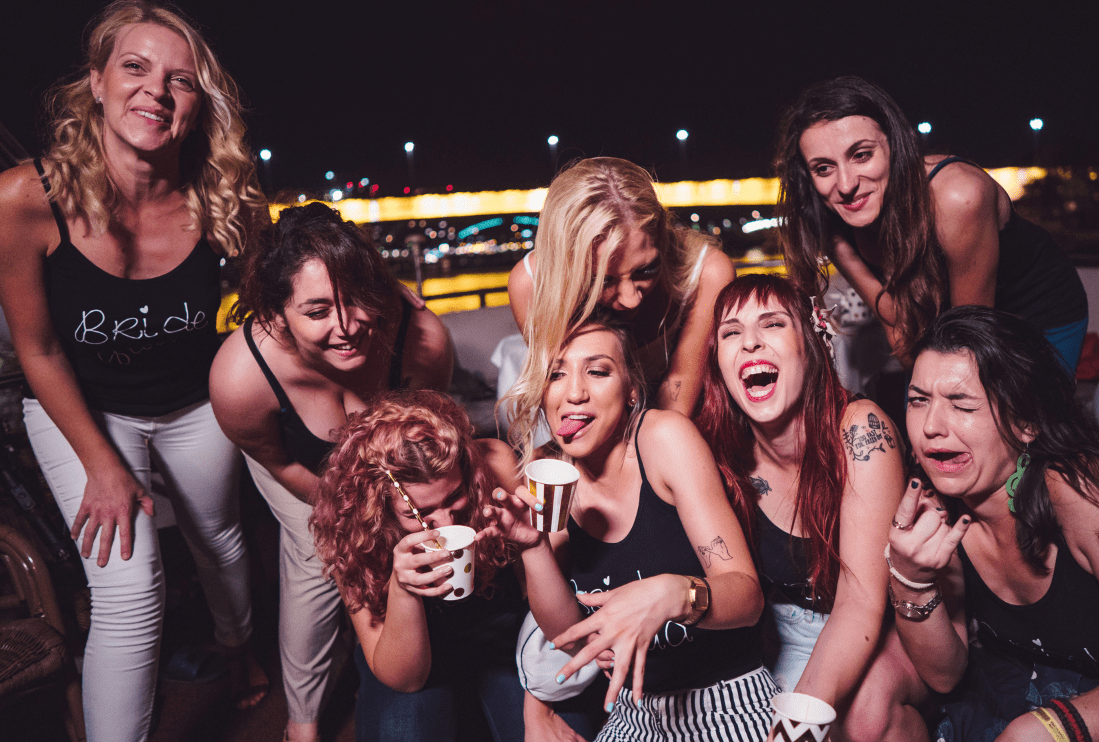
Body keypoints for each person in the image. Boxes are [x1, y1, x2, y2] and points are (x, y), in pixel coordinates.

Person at [0, 0, 268, 740]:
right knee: (129, 590)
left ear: (197, 104)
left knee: (221, 544)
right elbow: (40, 349)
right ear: (97, 82)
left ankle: (238, 650)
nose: (157, 90)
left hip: (191, 403)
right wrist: (102, 462)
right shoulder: (26, 199)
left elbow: (268, 315)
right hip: (78, 406)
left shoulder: (223, 199)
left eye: (180, 80)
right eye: (136, 67)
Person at [888, 306, 1099, 742]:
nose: (930, 428)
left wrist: (1047, 729)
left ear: (1026, 421)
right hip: (1023, 691)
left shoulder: (1084, 492)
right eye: (919, 401)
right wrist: (909, 579)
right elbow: (944, 676)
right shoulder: (935, 504)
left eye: (961, 404)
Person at [209, 202, 453, 742]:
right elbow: (277, 461)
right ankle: (303, 722)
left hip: (390, 470)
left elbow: (430, 454)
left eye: (357, 302)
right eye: (317, 311)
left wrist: (398, 515)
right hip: (300, 467)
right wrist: (351, 519)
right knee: (315, 560)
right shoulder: (240, 379)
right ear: (276, 313)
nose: (345, 329)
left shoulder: (422, 340)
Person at [494, 315, 774, 741]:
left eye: (598, 371)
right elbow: (570, 638)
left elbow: (748, 598)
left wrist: (673, 593)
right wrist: (533, 548)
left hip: (727, 697)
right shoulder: (548, 474)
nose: (574, 393)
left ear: (631, 393)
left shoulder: (664, 440)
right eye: (556, 375)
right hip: (632, 711)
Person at [696, 274, 926, 740]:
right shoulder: (717, 449)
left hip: (885, 625)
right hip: (780, 630)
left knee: (860, 718)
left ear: (811, 344)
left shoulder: (861, 432)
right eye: (731, 332)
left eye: (773, 324)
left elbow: (861, 604)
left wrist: (790, 728)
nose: (751, 344)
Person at [776, 76, 1088, 373]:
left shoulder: (958, 197)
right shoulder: (835, 217)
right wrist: (918, 394)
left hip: (1038, 315)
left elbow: (973, 339)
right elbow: (895, 322)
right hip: (942, 319)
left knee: (1019, 420)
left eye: (862, 155)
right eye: (823, 168)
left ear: (895, 146)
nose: (845, 185)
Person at [311, 390, 526, 742]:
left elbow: (540, 584)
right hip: (405, 647)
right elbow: (406, 679)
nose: (444, 521)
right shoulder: (352, 532)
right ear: (377, 505)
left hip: (499, 630)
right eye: (419, 513)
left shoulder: (496, 465)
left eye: (455, 495)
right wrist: (403, 590)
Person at [506, 157, 734, 420]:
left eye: (646, 270)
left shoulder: (708, 272)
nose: (631, 300)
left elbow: (677, 404)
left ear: (661, 238)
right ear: (565, 264)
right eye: (602, 281)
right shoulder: (531, 284)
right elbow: (570, 409)